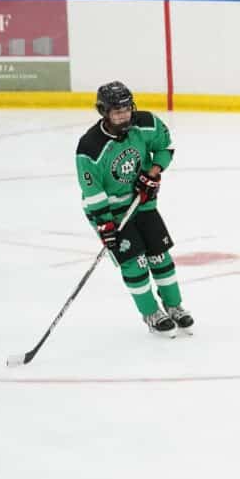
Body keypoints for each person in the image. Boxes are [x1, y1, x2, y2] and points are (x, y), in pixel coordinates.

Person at [75, 81, 194, 338]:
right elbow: (93, 194)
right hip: (111, 213)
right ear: (103, 112)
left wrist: (153, 172)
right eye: (117, 112)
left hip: (143, 202)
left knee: (160, 256)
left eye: (127, 109)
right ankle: (151, 313)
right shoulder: (90, 148)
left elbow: (166, 146)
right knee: (135, 263)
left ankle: (173, 305)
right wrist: (105, 225)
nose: (124, 115)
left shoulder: (145, 123)